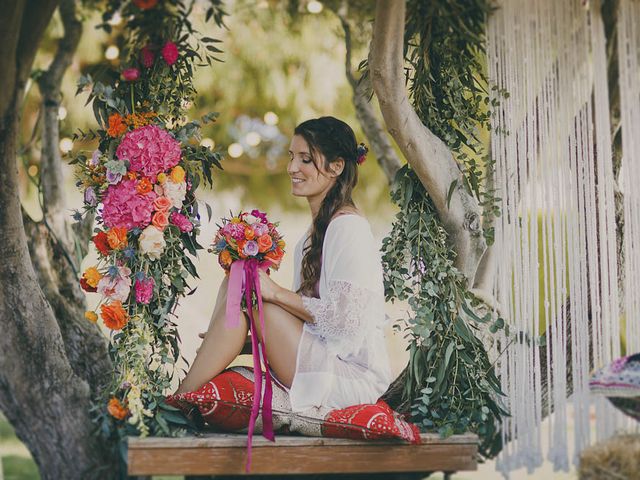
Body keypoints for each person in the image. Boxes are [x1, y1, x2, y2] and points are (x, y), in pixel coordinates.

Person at [173, 116, 392, 413]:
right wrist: (246, 342)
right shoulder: (309, 238)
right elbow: (305, 320)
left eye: (305, 159)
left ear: (336, 167)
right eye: (291, 157)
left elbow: (344, 322)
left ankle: (177, 402)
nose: (291, 168)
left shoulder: (348, 228)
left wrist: (273, 293)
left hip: (350, 376)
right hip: (322, 357)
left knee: (258, 296)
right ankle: (184, 394)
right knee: (236, 279)